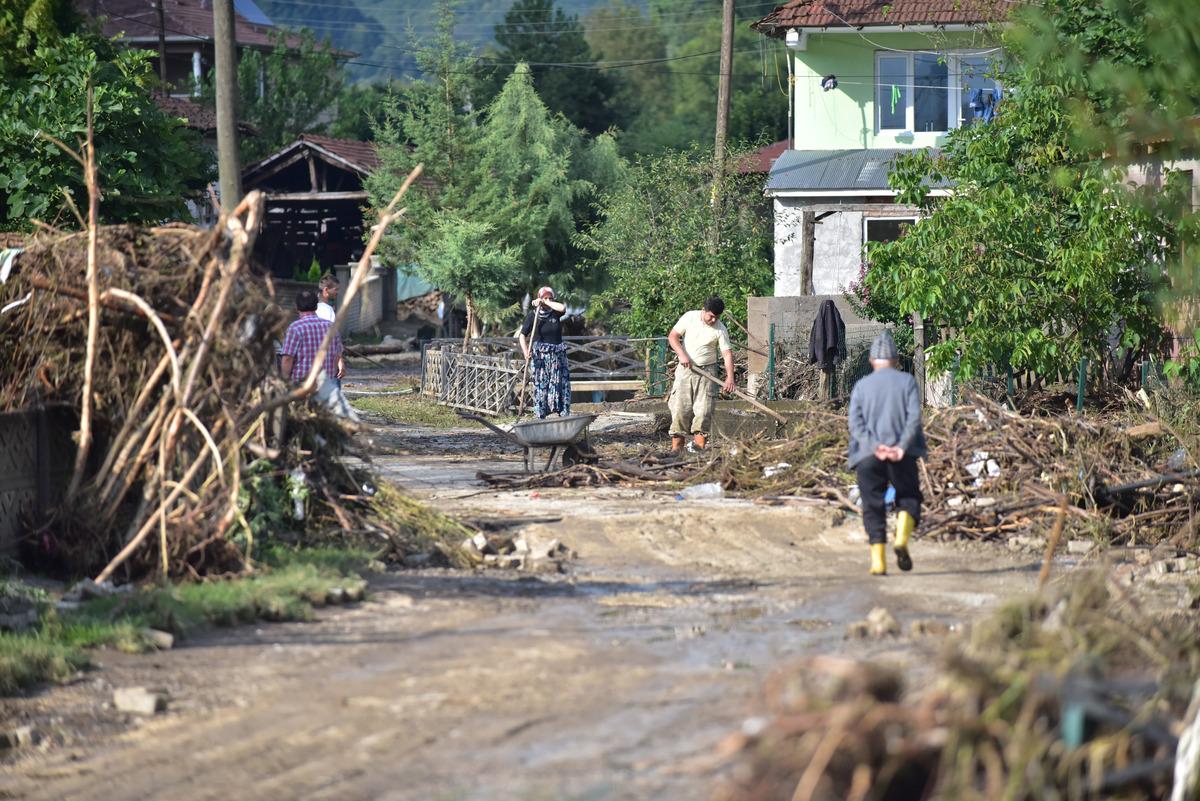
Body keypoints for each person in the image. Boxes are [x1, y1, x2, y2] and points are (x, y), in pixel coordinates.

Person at [847, 330, 927, 576]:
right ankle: (901, 538)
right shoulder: (907, 382)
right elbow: (914, 418)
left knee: (872, 505)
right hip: (903, 454)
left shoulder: (861, 386)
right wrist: (900, 446)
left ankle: (878, 561)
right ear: (896, 360)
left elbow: (855, 424)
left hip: (868, 457)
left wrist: (875, 447)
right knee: (909, 498)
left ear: (872, 361)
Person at [667, 296, 735, 453]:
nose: (713, 320)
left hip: (707, 373)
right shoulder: (689, 317)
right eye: (711, 316)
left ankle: (699, 450)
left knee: (704, 411)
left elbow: (727, 354)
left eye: (716, 317)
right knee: (680, 410)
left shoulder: (720, 329)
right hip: (685, 371)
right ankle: (676, 451)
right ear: (704, 310)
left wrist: (729, 377)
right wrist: (681, 355)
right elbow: (673, 337)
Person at [519, 287, 571, 419]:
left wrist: (545, 302)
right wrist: (526, 351)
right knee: (542, 384)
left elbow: (563, 308)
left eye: (550, 298)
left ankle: (563, 413)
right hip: (541, 357)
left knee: (561, 383)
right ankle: (541, 415)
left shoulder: (555, 313)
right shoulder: (533, 315)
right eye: (545, 298)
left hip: (558, 356)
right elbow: (522, 335)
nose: (548, 301)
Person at [279, 290, 345, 387]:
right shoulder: (331, 327)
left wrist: (284, 381)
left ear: (297, 307)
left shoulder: (295, 328)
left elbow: (288, 358)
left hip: (301, 386)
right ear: (316, 306)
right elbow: (338, 354)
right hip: (326, 385)